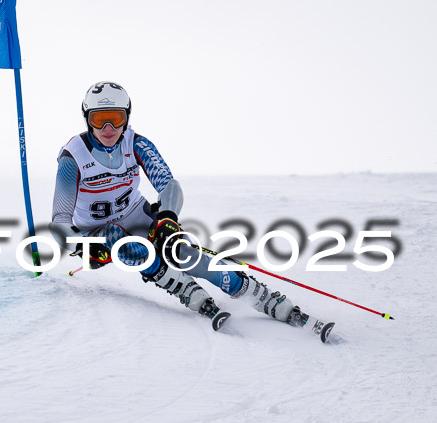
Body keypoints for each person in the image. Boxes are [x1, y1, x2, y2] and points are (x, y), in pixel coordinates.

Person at [49, 81, 306, 329]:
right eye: (98, 119)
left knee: (181, 251)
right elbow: (58, 224)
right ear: (87, 119)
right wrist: (83, 246)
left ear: (127, 117)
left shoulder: (136, 143)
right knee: (125, 243)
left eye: (116, 118)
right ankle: (183, 288)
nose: (108, 127)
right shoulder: (73, 156)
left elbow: (169, 185)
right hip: (98, 233)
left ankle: (260, 296)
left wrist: (168, 219)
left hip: (135, 215)